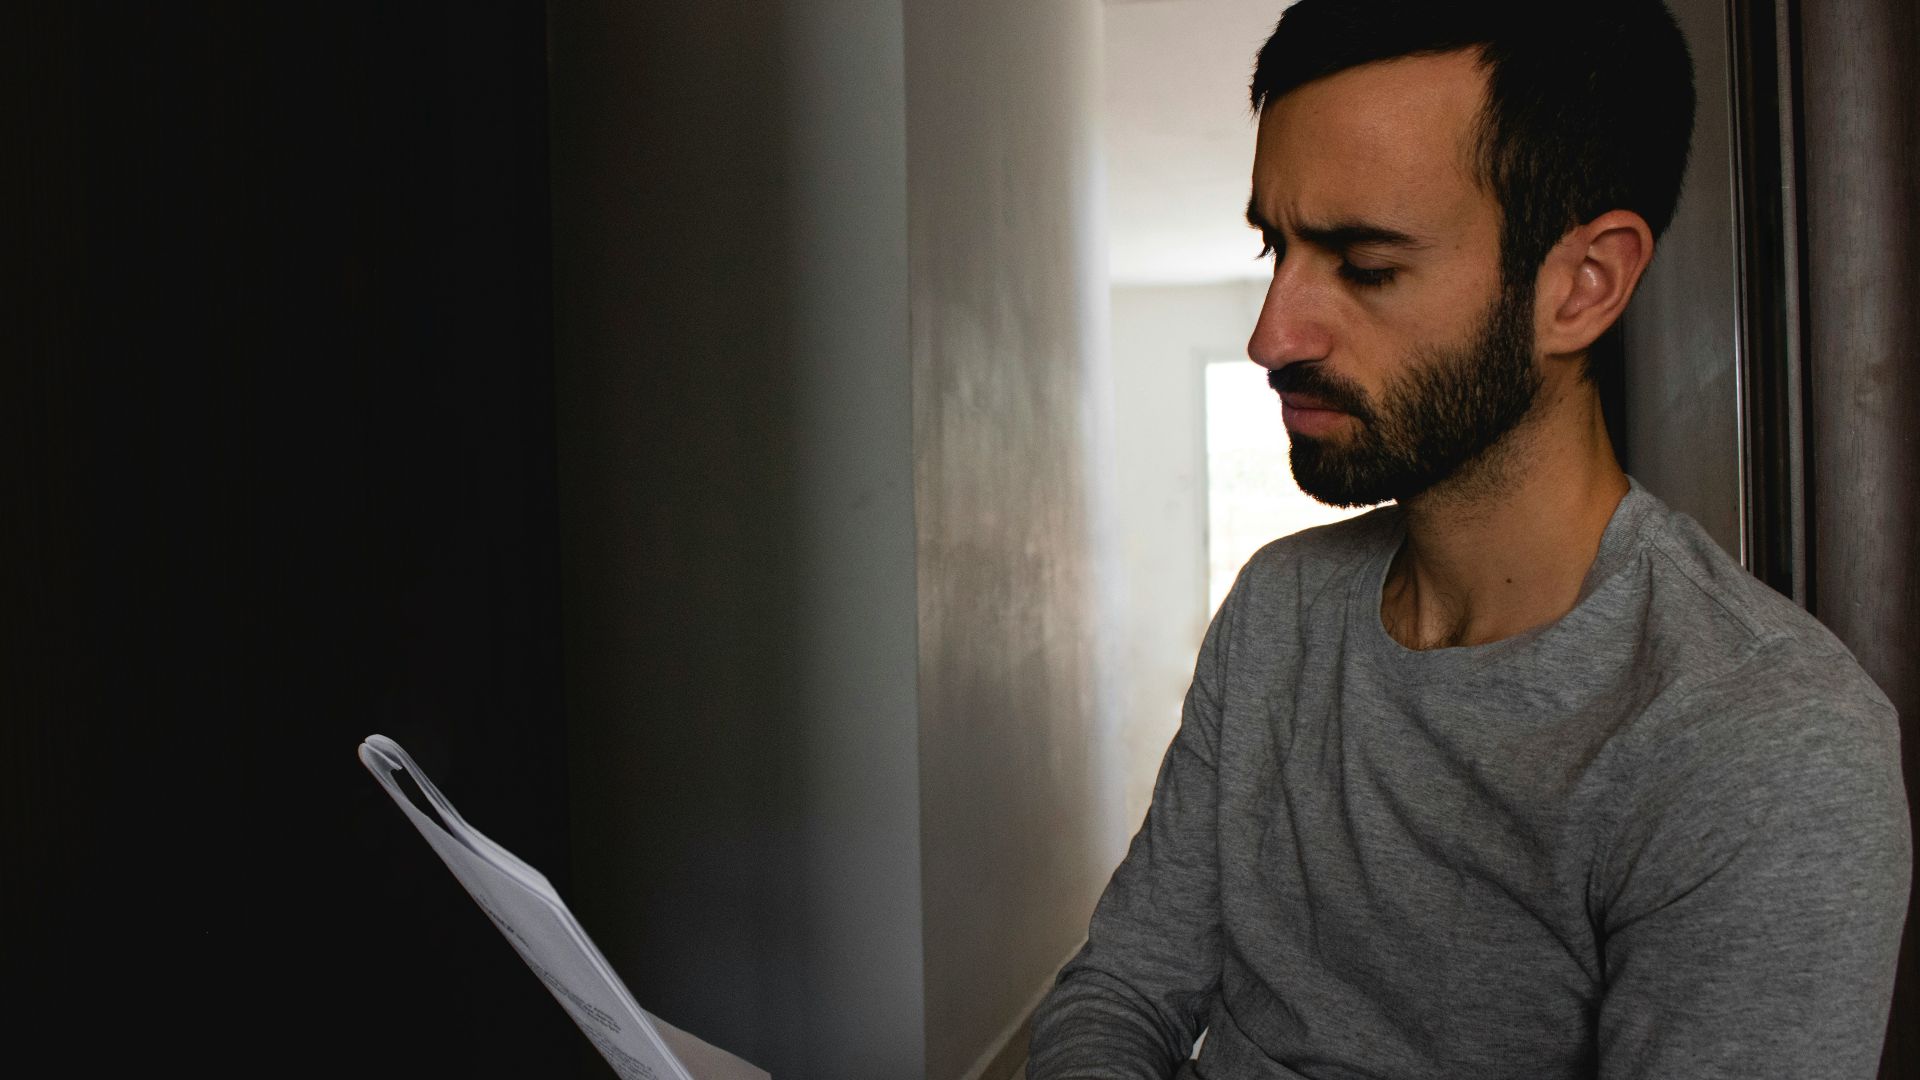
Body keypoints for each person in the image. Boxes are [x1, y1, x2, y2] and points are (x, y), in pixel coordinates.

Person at [1026, 2, 1910, 1077]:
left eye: (1363, 263)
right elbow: (1120, 990)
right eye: (1278, 245)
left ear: (1581, 286)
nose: (1271, 337)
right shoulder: (1279, 609)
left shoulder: (1760, 743)